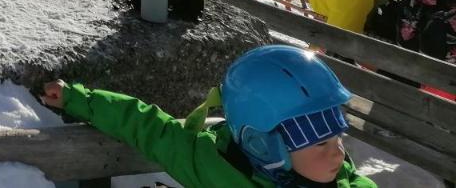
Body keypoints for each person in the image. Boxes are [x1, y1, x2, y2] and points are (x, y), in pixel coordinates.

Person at [39, 44, 377, 187]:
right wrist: (77, 98)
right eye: (319, 144)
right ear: (265, 147)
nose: (338, 154)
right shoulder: (212, 165)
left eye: (337, 138)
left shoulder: (349, 183)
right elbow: (147, 126)